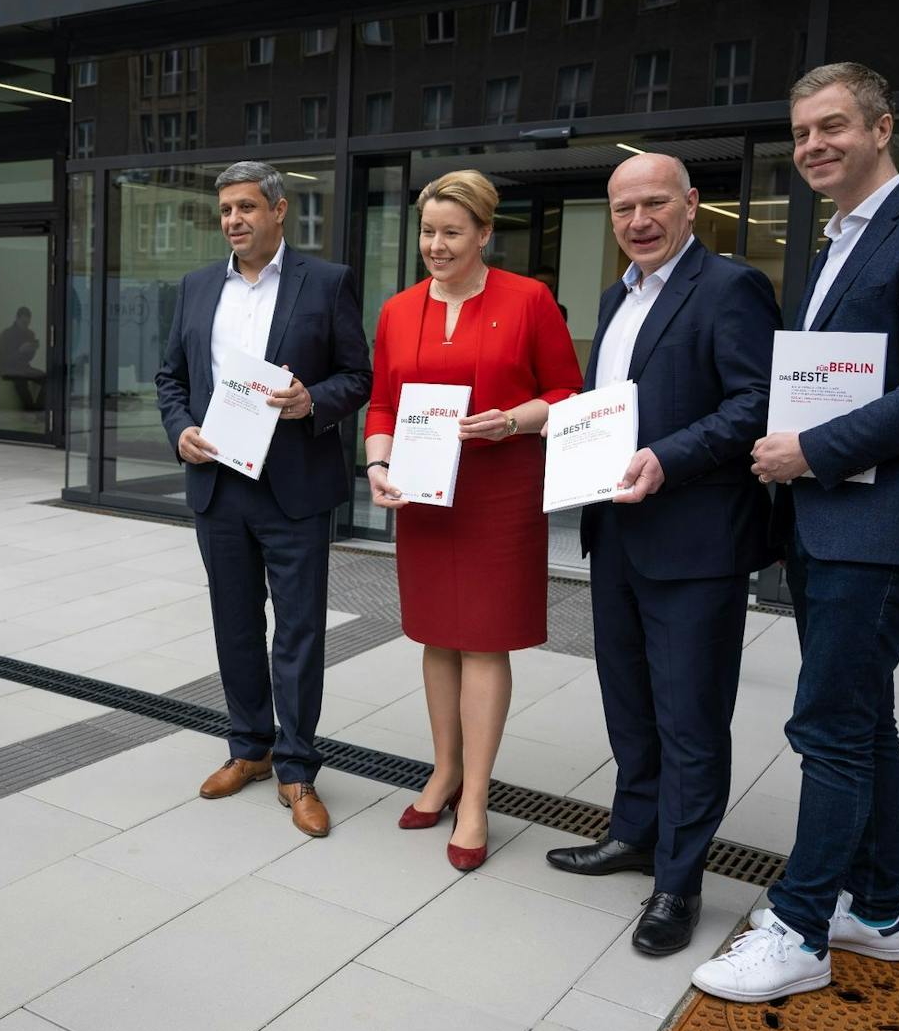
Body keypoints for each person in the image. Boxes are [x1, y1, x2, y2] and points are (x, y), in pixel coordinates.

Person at [693, 62, 899, 1001]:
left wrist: (809, 453)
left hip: (884, 526)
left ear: (881, 128)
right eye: (802, 133)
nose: (814, 146)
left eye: (832, 127)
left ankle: (801, 926)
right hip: (837, 523)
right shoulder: (834, 244)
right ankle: (875, 909)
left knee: (827, 722)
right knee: (866, 719)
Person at [543, 154, 779, 954]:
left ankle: (678, 883)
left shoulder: (729, 288)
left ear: (691, 206)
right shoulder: (618, 297)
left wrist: (668, 457)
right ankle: (635, 833)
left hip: (696, 540)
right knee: (630, 703)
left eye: (653, 204)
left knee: (690, 719)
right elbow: (610, 403)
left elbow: (756, 402)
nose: (637, 221)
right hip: (617, 533)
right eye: (622, 210)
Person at [364, 170, 582, 869]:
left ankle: (477, 796)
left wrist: (512, 420)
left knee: (484, 640)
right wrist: (376, 465)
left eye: (451, 232)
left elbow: (568, 391)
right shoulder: (398, 310)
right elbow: (382, 405)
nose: (435, 245)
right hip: (425, 496)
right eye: (428, 232)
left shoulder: (529, 300)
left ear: (485, 234)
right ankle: (443, 768)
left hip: (499, 491)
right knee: (437, 634)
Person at [154, 160, 371, 837]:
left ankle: (298, 766)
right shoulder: (194, 288)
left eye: (246, 207)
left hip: (294, 487)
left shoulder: (326, 283)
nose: (234, 221)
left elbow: (357, 375)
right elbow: (170, 377)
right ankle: (248, 748)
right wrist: (180, 430)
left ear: (279, 211)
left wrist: (313, 400)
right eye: (225, 211)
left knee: (300, 632)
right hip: (219, 484)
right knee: (236, 625)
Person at [0, 305, 45, 410]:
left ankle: (38, 408)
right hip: (8, 369)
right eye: (24, 323)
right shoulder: (6, 334)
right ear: (17, 319)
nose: (26, 326)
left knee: (47, 378)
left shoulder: (29, 334)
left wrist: (32, 350)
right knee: (21, 381)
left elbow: (28, 359)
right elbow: (3, 360)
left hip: (24, 368)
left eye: (28, 323)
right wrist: (20, 351)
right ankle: (31, 409)